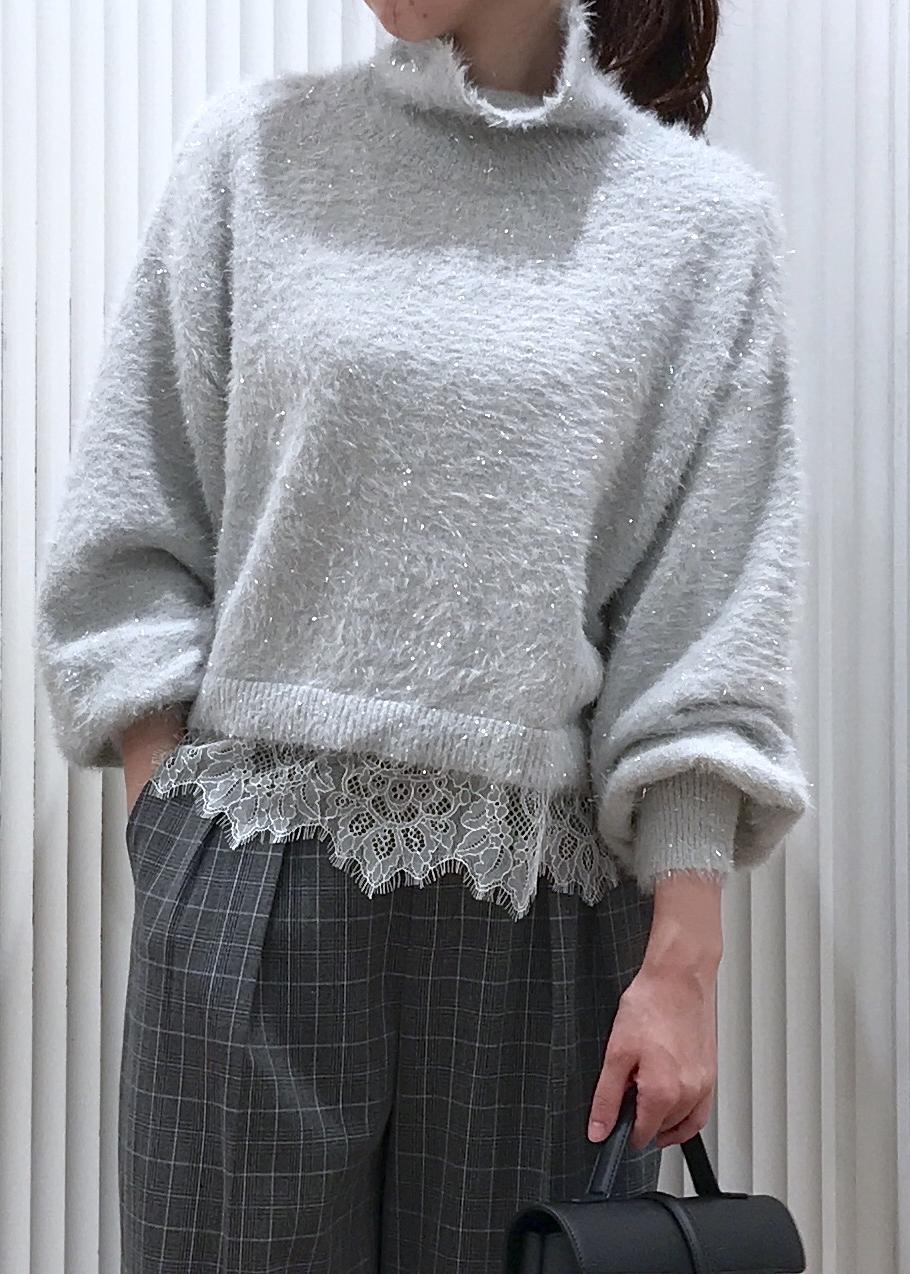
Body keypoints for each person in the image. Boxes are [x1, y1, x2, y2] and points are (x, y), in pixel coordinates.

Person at [33, 0, 813, 1268]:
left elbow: (706, 621)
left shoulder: (696, 224)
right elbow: (136, 514)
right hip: (254, 888)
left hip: (541, 921)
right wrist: (168, 828)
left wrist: (683, 963)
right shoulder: (255, 157)